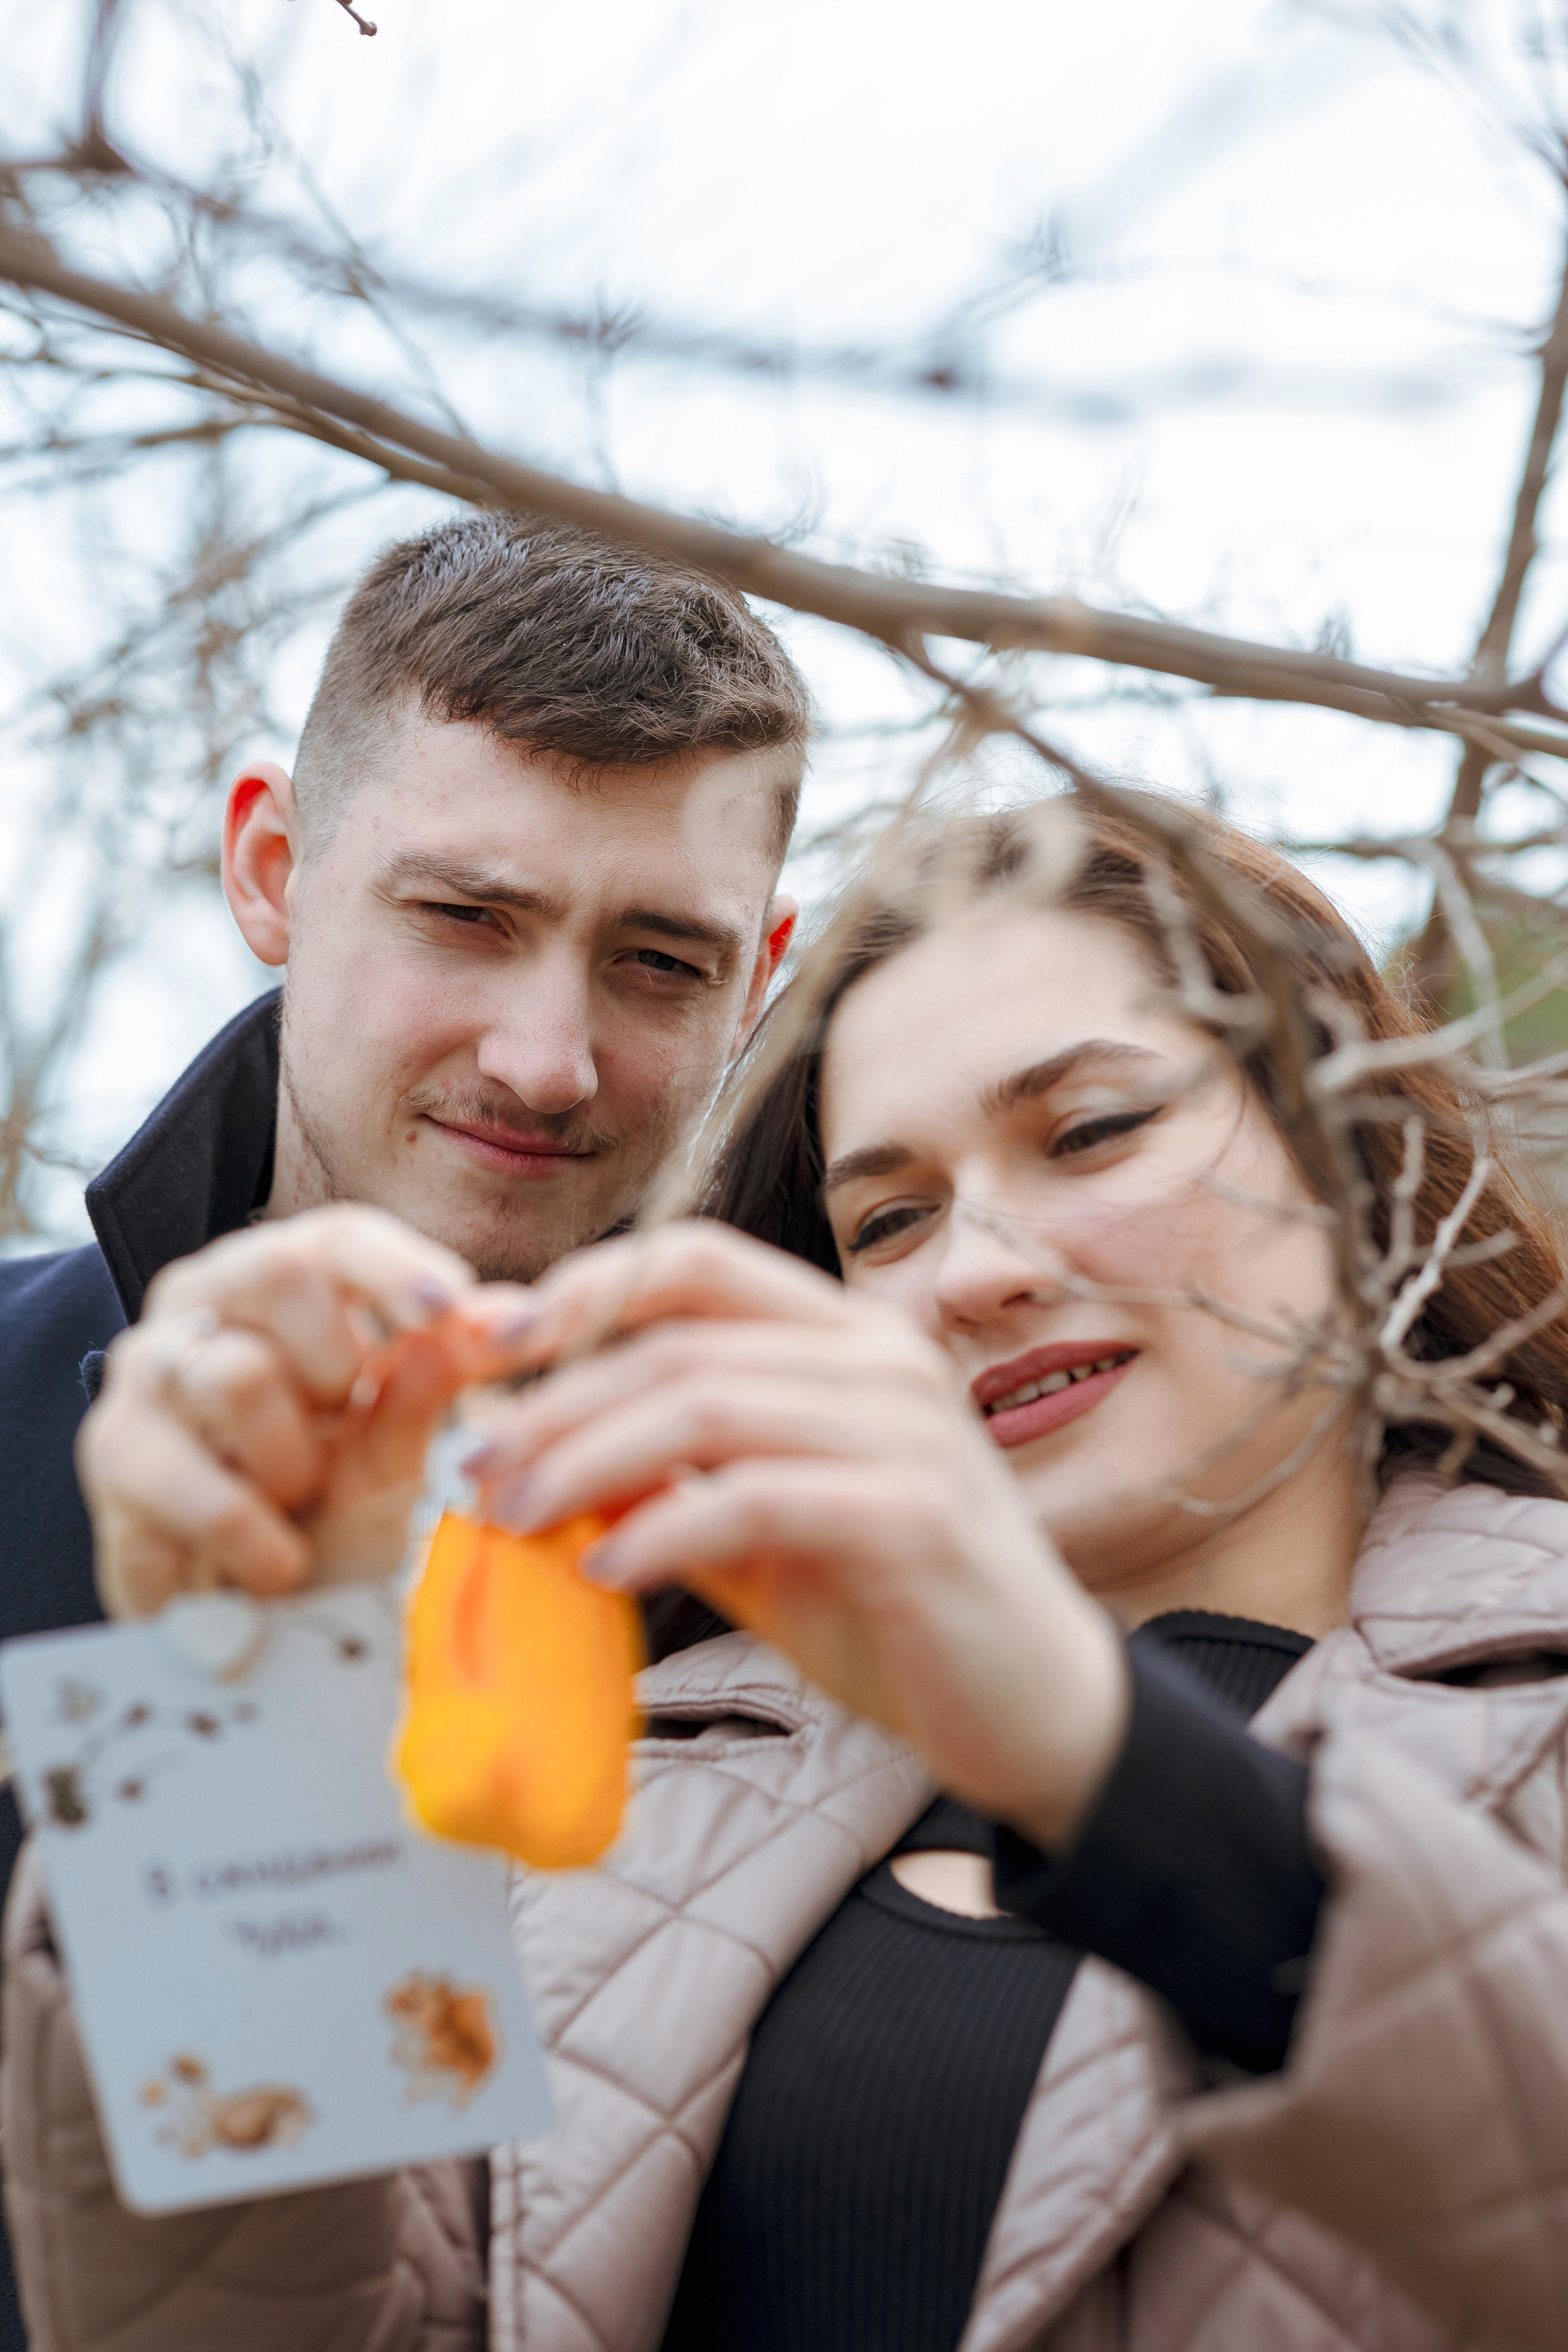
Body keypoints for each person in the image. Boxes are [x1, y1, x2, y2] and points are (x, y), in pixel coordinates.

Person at [12, 794, 1568, 2351]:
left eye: (1091, 1129)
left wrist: (1096, 1750)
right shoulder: (623, 1775)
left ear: (1350, 1151)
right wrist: (243, 1702)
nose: (976, 1269)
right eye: (889, 1218)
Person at [0, 513, 804, 2351]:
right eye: (466, 917)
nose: (545, 1057)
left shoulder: (821, 1566)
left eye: (657, 963)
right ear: (273, 865)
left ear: (759, 972)